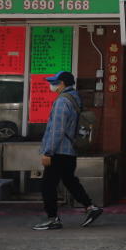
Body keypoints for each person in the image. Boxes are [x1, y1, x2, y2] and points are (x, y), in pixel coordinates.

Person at [32, 71, 103, 230]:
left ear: (62, 83)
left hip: (58, 151)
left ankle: (52, 218)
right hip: (70, 150)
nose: (52, 85)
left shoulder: (62, 101)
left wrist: (48, 152)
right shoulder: (75, 99)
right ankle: (91, 207)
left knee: (48, 185)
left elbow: (57, 129)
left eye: (54, 82)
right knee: (70, 181)